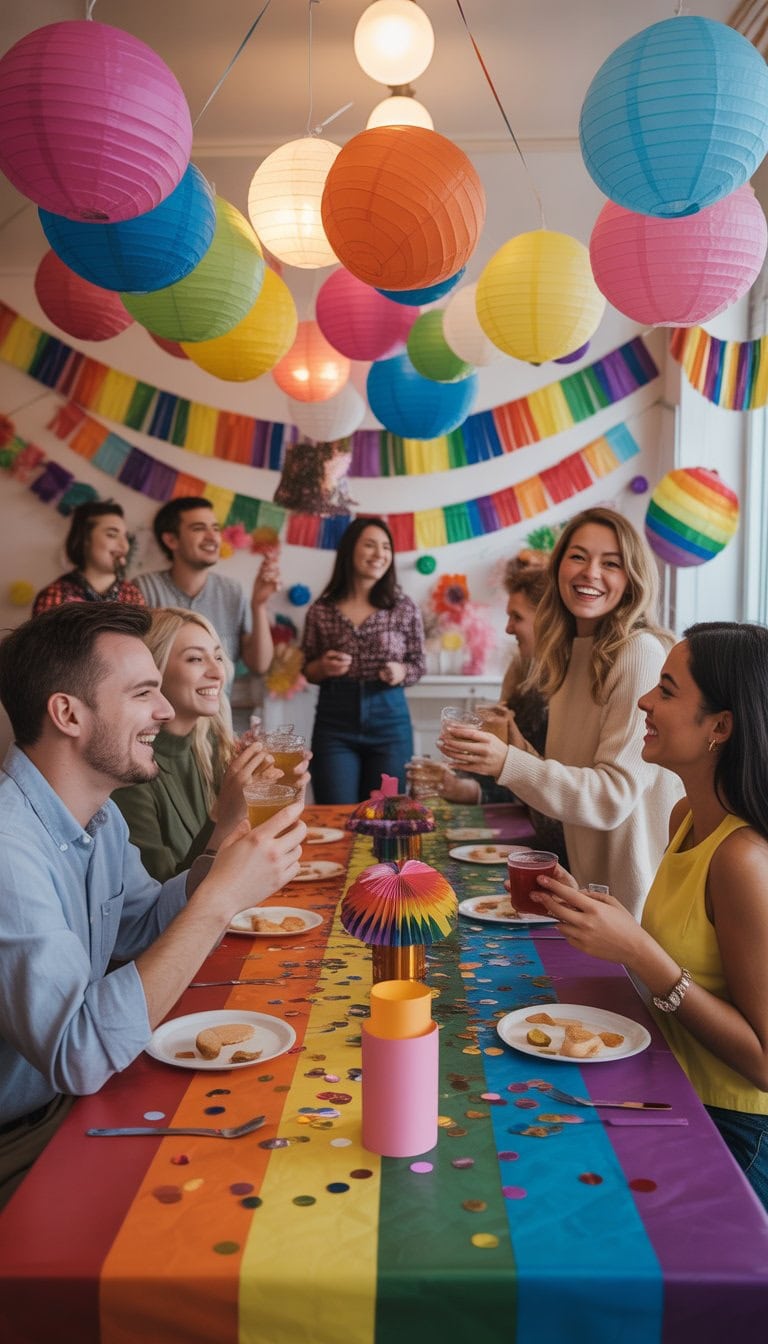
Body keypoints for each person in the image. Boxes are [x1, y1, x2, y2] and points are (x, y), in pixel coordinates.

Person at [0, 603, 305, 1208]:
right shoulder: (9, 848)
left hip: (78, 1102)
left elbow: (140, 927)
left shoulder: (100, 817)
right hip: (22, 1137)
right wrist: (221, 898)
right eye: (144, 693)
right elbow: (78, 1054)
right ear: (68, 714)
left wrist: (226, 843)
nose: (165, 710)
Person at [531, 622, 768, 1210]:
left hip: (735, 1130)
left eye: (666, 689)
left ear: (721, 727)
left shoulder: (742, 860)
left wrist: (637, 951)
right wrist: (595, 912)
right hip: (670, 1086)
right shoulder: (686, 814)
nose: (643, 701)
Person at [439, 507, 681, 917]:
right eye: (578, 556)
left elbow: (612, 798)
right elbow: (568, 777)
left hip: (637, 898)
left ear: (632, 578)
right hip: (593, 889)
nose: (591, 572)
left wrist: (507, 762)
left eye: (611, 563)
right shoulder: (569, 655)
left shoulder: (637, 651)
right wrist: (508, 748)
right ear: (558, 568)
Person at [112, 607, 295, 882]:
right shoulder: (128, 771)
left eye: (218, 657)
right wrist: (223, 818)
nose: (217, 671)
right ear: (154, 671)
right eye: (196, 659)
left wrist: (286, 788)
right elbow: (158, 898)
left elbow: (256, 854)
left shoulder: (213, 747)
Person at [430, 563, 566, 861]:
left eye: (516, 617)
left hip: (564, 842)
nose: (507, 628)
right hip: (531, 828)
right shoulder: (520, 668)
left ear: (547, 617)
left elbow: (536, 775)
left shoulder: (573, 684)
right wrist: (463, 786)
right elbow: (508, 772)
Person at [301, 516, 426, 803]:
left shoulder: (403, 607)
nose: (379, 554)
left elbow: (419, 664)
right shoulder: (322, 610)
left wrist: (400, 671)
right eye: (370, 545)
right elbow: (307, 668)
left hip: (390, 721)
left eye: (385, 547)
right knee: (336, 814)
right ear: (349, 550)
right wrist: (322, 667)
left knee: (387, 817)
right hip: (335, 723)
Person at [135, 496, 276, 677]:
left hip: (220, 705)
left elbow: (260, 665)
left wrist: (259, 606)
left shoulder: (232, 591)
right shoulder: (144, 588)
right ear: (171, 540)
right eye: (199, 528)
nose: (212, 537)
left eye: (216, 529)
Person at [32, 499, 146, 614]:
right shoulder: (56, 596)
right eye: (112, 535)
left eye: (126, 537)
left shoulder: (133, 595)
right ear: (85, 539)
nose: (124, 545)